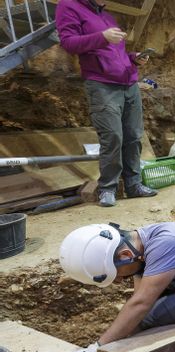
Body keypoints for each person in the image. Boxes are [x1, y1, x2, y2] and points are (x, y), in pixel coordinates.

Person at [44, 222, 175, 352]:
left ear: (126, 256)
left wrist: (94, 349)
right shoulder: (140, 245)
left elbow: (141, 304)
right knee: (141, 317)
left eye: (116, 274)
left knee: (149, 317)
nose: (119, 281)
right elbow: (138, 297)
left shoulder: (166, 243)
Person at [56, 0, 157, 207]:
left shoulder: (106, 15)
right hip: (102, 84)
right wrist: (102, 37)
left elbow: (115, 55)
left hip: (128, 83)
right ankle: (108, 188)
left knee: (133, 136)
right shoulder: (69, 5)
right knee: (112, 136)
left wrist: (133, 58)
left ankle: (133, 185)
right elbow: (68, 42)